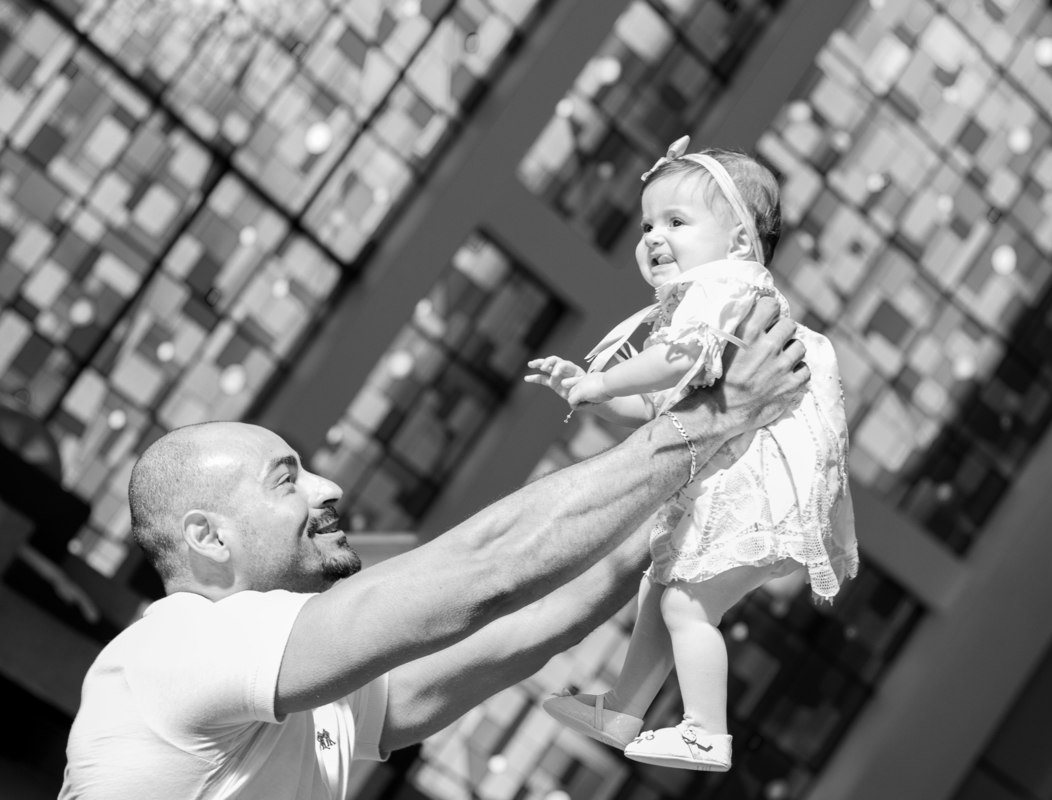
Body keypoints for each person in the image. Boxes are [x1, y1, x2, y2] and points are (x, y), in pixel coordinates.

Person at [57, 292, 811, 799]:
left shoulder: (310, 695)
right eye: (287, 481)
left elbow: (526, 626)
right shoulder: (176, 652)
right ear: (206, 537)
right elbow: (484, 571)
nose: (328, 490)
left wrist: (681, 497)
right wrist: (706, 420)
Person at [525, 136, 858, 772]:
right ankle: (623, 708)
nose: (653, 236)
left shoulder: (725, 290)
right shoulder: (713, 305)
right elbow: (662, 404)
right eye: (647, 223)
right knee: (666, 588)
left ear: (736, 242)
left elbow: (672, 361)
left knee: (684, 603)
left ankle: (706, 730)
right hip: (737, 489)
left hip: (753, 498)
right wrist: (591, 395)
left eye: (677, 221)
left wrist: (602, 379)